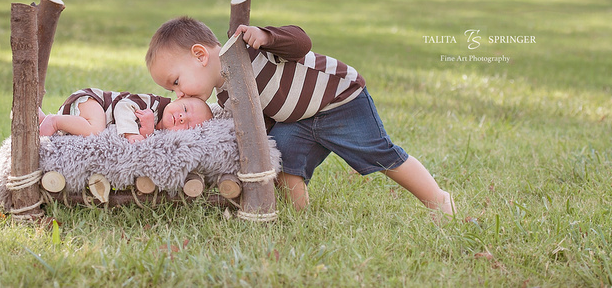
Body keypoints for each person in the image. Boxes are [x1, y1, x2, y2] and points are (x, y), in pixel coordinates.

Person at [146, 16, 454, 216]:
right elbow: (256, 125)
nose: (179, 94)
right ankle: (299, 215)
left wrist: (267, 36)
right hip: (298, 120)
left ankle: (438, 200)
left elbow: (301, 41)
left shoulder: (249, 48)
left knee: (379, 153)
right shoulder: (227, 95)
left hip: (339, 101)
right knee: (285, 158)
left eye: (175, 82)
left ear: (200, 56)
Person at [38, 88, 213, 142]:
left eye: (188, 125)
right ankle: (54, 121)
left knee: (86, 129)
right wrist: (131, 133)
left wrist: (146, 132)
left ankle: (40, 118)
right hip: (93, 101)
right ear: (178, 98)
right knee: (96, 129)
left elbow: (145, 137)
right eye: (184, 109)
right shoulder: (153, 104)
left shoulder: (162, 135)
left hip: (85, 115)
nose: (183, 117)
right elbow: (123, 106)